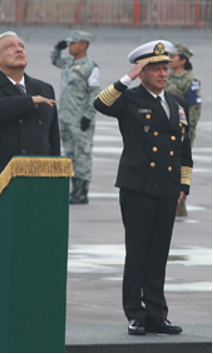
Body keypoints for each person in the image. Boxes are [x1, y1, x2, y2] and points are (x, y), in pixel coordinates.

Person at [94, 40, 193, 336]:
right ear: (143, 71)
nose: (164, 73)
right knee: (137, 253)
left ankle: (156, 315)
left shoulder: (176, 103)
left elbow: (183, 148)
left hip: (167, 187)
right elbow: (100, 103)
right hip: (137, 187)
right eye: (157, 68)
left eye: (166, 67)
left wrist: (183, 185)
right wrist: (127, 78)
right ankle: (135, 315)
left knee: (159, 253)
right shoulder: (129, 98)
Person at [0, 31, 60, 320]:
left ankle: (31, 316)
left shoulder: (44, 88)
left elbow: (52, 142)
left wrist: (55, 185)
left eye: (21, 46)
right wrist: (29, 101)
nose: (19, 50)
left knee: (34, 260)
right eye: (10, 47)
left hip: (37, 191)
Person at [51, 31, 101, 204]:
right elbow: (55, 61)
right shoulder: (68, 62)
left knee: (83, 154)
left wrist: (88, 115)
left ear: (83, 45)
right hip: (65, 116)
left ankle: (82, 191)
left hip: (80, 119)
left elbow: (95, 93)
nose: (70, 46)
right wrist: (57, 49)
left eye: (73, 43)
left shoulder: (91, 67)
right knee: (70, 153)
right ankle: (74, 189)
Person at [166, 44, 202, 217]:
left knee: (181, 164)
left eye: (174, 56)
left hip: (182, 131)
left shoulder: (190, 81)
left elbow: (194, 108)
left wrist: (188, 131)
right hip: (166, 129)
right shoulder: (167, 76)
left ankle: (179, 204)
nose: (170, 59)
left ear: (183, 60)